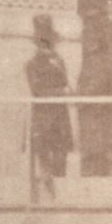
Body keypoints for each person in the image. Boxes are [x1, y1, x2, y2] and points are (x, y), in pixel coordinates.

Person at [26, 19, 75, 205]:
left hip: (60, 119)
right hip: (43, 119)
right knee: (44, 163)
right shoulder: (32, 65)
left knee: (60, 160)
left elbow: (65, 84)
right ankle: (48, 201)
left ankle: (58, 201)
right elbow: (37, 90)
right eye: (45, 41)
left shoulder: (59, 61)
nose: (50, 44)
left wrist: (70, 91)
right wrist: (61, 92)